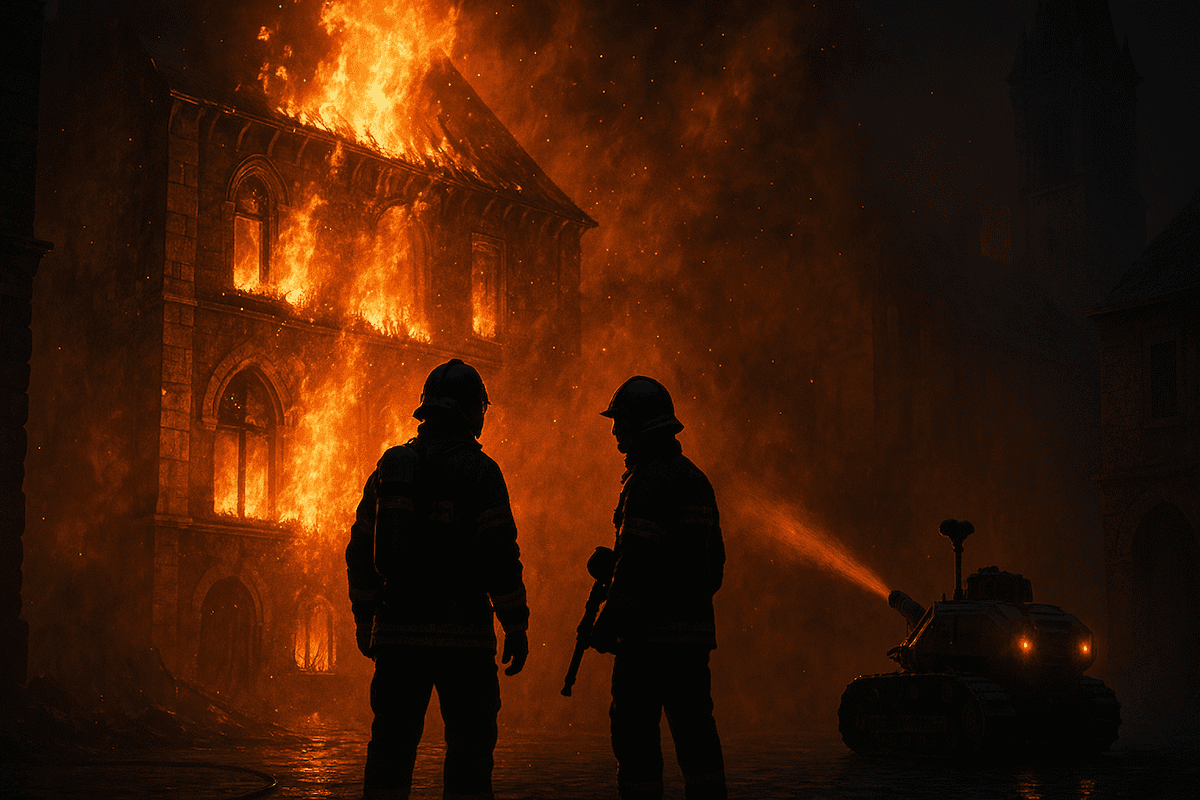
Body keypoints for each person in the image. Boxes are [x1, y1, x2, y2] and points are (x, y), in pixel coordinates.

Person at [346, 358, 529, 800]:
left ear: (426, 409)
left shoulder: (391, 469)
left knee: (390, 752)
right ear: (473, 411)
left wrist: (365, 615)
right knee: (469, 756)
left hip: (398, 637)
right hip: (464, 641)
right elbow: (500, 555)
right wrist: (515, 622)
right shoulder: (481, 473)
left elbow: (360, 550)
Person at [590, 376, 727, 800]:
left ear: (641, 424)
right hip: (691, 644)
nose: (615, 432)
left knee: (635, 745)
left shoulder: (645, 483)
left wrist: (608, 620)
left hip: (645, 644)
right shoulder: (695, 480)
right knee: (697, 742)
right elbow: (711, 568)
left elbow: (637, 568)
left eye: (620, 422)